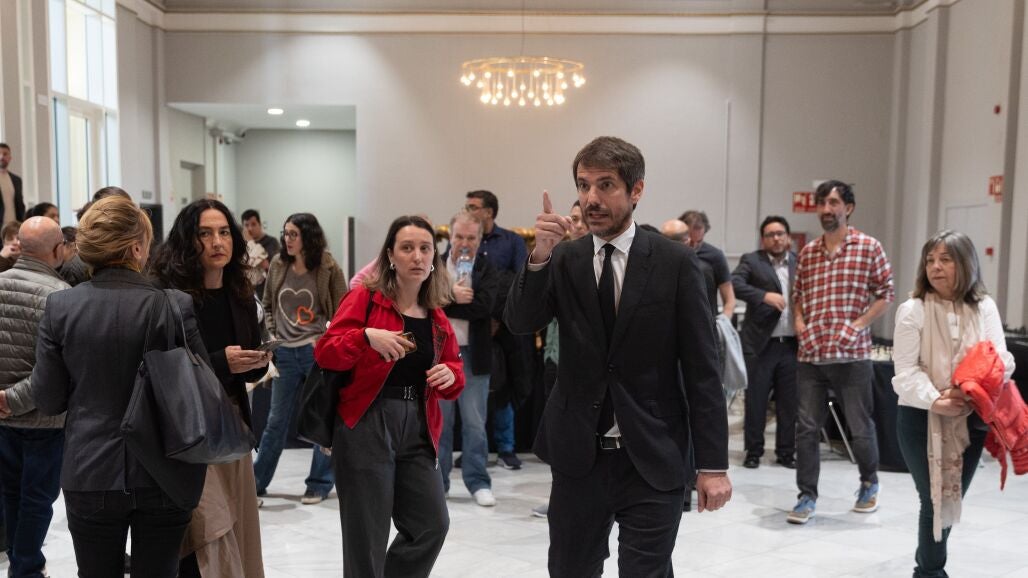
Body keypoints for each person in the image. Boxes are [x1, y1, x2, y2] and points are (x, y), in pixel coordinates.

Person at [505, 136, 732, 576]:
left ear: (636, 190)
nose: (591, 198)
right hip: (579, 456)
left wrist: (713, 465)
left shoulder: (676, 264)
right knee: (570, 569)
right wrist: (540, 255)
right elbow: (520, 321)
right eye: (583, 185)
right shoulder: (563, 259)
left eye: (605, 185)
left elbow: (703, 370)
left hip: (653, 453)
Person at [30, 195, 209, 577]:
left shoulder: (60, 307)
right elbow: (202, 388)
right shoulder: (175, 305)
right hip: (166, 468)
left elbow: (47, 399)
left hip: (90, 469)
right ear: (136, 248)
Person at [314, 215, 464, 577]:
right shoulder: (365, 298)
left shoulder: (436, 316)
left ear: (434, 257)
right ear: (390, 256)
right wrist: (366, 336)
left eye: (425, 248)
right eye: (407, 248)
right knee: (367, 535)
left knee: (431, 524)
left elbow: (454, 372)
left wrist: (451, 374)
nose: (417, 256)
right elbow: (326, 351)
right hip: (367, 421)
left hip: (418, 425)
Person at [148, 199, 269, 578]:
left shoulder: (240, 294)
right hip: (187, 431)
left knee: (237, 524)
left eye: (224, 232)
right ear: (188, 240)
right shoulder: (168, 297)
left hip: (230, 425)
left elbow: (246, 369)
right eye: (205, 233)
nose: (217, 242)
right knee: (206, 530)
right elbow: (162, 370)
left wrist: (256, 362)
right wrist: (221, 362)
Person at [892, 230, 1014, 577]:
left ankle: (928, 568)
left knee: (950, 496)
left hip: (970, 418)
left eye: (945, 259)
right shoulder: (912, 310)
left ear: (966, 264)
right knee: (933, 499)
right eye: (930, 260)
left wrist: (969, 389)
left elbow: (1003, 360)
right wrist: (935, 399)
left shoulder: (984, 306)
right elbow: (904, 373)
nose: (936, 267)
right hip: (919, 418)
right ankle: (929, 572)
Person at [788, 179, 895, 524]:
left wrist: (857, 325)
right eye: (822, 203)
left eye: (833, 203)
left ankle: (869, 483)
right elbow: (797, 296)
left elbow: (886, 293)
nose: (826, 209)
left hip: (852, 355)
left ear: (848, 208)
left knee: (860, 426)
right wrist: (800, 323)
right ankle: (806, 496)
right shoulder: (808, 252)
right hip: (812, 355)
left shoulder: (868, 247)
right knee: (806, 429)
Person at [254, 212, 347, 505]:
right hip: (284, 352)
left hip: (314, 352)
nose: (287, 239)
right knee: (275, 421)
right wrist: (272, 333)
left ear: (308, 236)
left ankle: (319, 484)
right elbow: (268, 304)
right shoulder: (278, 264)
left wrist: (325, 339)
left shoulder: (328, 266)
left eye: (293, 234)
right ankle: (257, 483)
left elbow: (343, 310)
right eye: (285, 233)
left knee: (320, 418)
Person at [0, 217, 70, 577]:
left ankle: (21, 563)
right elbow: (55, 371)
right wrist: (14, 399)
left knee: (11, 494)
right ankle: (26, 567)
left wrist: (4, 400)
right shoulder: (60, 296)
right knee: (38, 499)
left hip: (3, 417)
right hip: (44, 418)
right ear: (58, 250)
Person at [438, 210, 500, 506]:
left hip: (474, 355)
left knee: (475, 424)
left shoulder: (487, 267)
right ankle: (439, 484)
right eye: (459, 236)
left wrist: (445, 302)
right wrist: (453, 297)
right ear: (449, 236)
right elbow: (425, 303)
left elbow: (484, 307)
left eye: (471, 238)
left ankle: (478, 482)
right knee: (441, 423)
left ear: (480, 238)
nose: (464, 243)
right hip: (440, 355)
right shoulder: (434, 266)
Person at [465, 189, 530, 470]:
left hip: (505, 326)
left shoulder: (512, 241)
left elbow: (519, 280)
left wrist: (497, 319)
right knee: (472, 389)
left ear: (489, 212)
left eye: (473, 207)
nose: (468, 211)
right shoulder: (467, 240)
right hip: (473, 324)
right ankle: (474, 450)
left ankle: (506, 448)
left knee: (504, 386)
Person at [532, 199, 589, 519]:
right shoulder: (560, 257)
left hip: (586, 364)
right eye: (574, 219)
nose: (577, 225)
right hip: (555, 356)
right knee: (558, 430)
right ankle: (559, 494)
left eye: (583, 219)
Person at [732, 215, 798, 469]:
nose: (776, 238)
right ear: (763, 239)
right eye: (770, 235)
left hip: (792, 345)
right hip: (761, 345)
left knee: (789, 404)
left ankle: (786, 452)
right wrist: (763, 296)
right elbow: (734, 283)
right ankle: (753, 451)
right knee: (756, 402)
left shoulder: (799, 262)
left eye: (780, 233)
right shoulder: (752, 260)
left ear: (788, 237)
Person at [680, 210, 736, 318]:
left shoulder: (715, 255)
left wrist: (723, 322)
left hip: (706, 320)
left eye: (699, 241)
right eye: (689, 241)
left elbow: (730, 300)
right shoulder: (674, 252)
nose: (693, 246)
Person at [241, 209, 280, 298]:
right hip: (247, 292)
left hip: (266, 292)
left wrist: (250, 242)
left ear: (260, 224)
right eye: (246, 225)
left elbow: (267, 265)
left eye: (253, 224)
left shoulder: (272, 242)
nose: (250, 228)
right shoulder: (241, 245)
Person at [0, 143, 25, 227]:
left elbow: (20, 204)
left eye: (5, 154)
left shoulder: (17, 180)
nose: (1, 157)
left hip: (13, 226)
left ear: (10, 158)